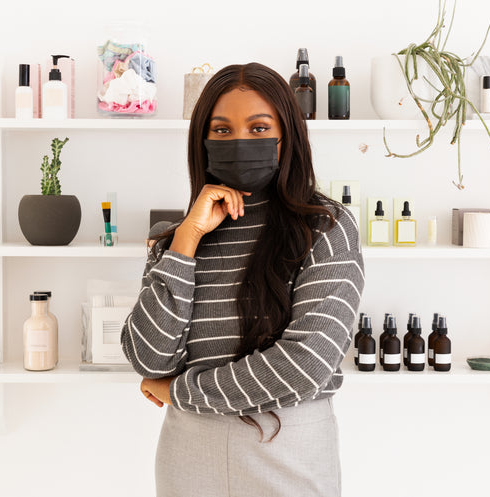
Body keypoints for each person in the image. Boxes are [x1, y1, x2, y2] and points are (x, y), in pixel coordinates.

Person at [121, 62, 364, 497]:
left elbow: (306, 364)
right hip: (188, 453)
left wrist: (181, 392)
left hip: (289, 450)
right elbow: (148, 358)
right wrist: (187, 239)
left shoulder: (326, 227)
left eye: (258, 129)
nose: (239, 142)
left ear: (286, 137)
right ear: (202, 140)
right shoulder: (174, 241)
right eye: (221, 130)